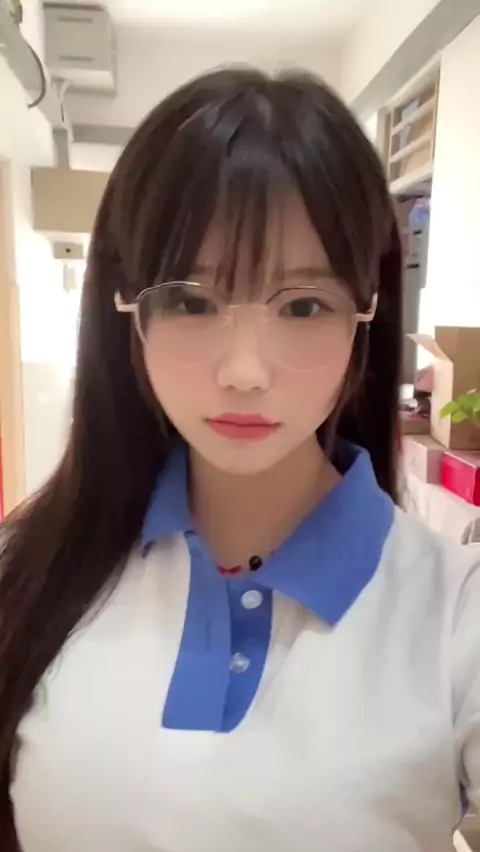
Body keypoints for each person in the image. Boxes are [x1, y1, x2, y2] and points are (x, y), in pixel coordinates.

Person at [0, 67, 479, 852]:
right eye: (192, 301)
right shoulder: (29, 572)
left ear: (365, 317)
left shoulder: (457, 613)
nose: (246, 371)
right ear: (129, 313)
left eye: (304, 305)